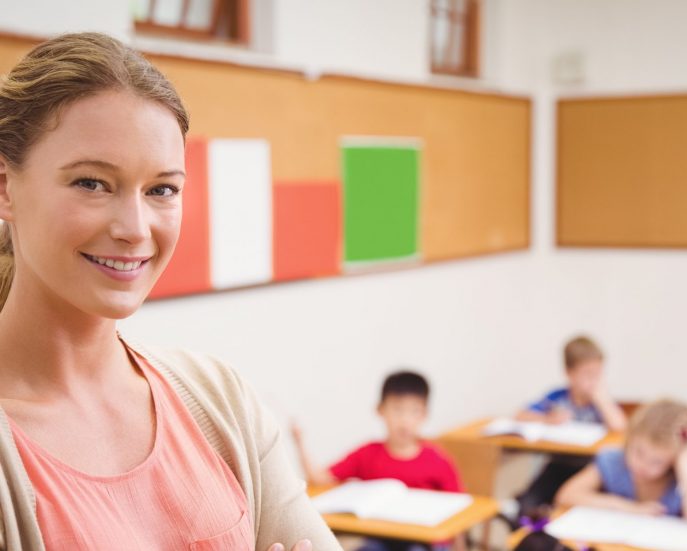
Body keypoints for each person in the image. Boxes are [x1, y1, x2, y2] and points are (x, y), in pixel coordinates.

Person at [0, 32, 340, 551]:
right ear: (5, 187)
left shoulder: (220, 398)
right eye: (92, 183)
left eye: (162, 190)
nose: (135, 228)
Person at [292, 371, 464, 551]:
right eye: (397, 409)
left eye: (414, 411)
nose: (405, 420)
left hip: (425, 543)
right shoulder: (367, 454)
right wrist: (299, 442)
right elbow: (319, 479)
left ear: (424, 415)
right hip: (381, 540)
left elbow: (459, 516)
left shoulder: (438, 460)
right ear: (380, 410)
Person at [512, 336, 627, 518]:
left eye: (598, 374)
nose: (593, 380)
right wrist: (547, 419)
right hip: (559, 465)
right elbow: (520, 415)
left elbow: (620, 427)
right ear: (569, 373)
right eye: (587, 374)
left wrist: (602, 399)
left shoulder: (601, 402)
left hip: (591, 471)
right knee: (527, 504)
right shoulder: (558, 398)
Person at [556, 399, 687, 525]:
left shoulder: (685, 478)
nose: (643, 465)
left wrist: (684, 461)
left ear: (672, 461)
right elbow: (566, 495)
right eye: (638, 452)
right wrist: (628, 508)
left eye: (657, 461)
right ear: (630, 437)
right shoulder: (614, 461)